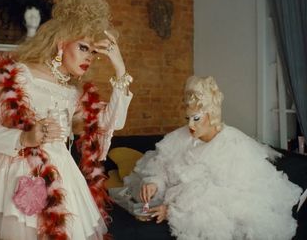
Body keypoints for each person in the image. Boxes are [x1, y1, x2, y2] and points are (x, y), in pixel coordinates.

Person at [0, 0, 133, 240]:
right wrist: (25, 137)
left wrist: (120, 70)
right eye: (83, 47)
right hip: (11, 177)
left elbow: (112, 122)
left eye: (93, 53)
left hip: (62, 179)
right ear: (61, 42)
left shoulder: (73, 91)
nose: (89, 57)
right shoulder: (15, 75)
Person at [122, 76, 301, 240]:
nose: (190, 125)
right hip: (179, 197)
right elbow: (161, 165)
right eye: (188, 119)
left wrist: (171, 210)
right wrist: (154, 182)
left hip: (212, 205)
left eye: (197, 118)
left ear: (211, 114)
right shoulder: (180, 137)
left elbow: (216, 196)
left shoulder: (232, 145)